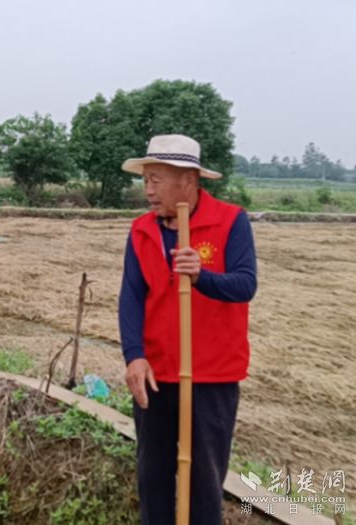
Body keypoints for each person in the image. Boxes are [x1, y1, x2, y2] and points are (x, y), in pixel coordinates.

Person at [118, 134, 257, 524]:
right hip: (156, 374)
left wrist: (202, 277)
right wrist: (134, 356)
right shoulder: (141, 230)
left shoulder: (230, 221)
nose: (148, 190)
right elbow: (131, 296)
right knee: (153, 479)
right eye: (145, 180)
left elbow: (245, 284)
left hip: (211, 376)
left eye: (156, 180)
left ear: (189, 180)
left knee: (204, 483)